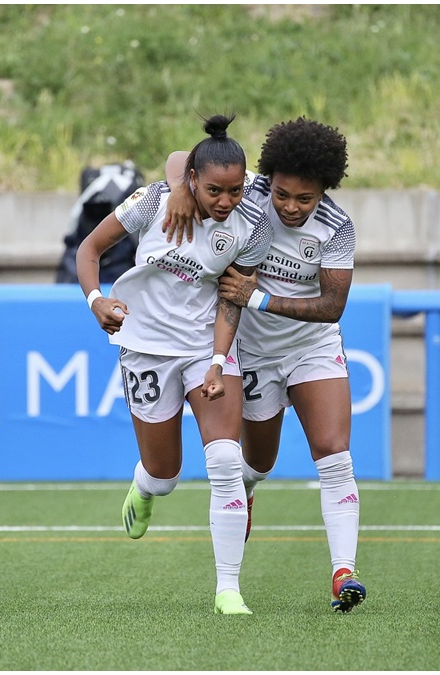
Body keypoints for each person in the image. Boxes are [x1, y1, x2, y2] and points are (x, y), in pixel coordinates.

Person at [161, 117, 365, 613]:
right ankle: (248, 490)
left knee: (334, 455)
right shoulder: (244, 192)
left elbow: (332, 306)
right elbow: (177, 162)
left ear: (324, 191)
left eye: (305, 199)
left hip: (311, 347)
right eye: (282, 195)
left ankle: (344, 574)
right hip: (249, 352)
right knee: (259, 462)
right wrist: (178, 191)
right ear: (268, 180)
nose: (291, 207)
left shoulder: (337, 229)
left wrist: (259, 298)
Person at [76, 114, 271, 615]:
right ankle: (144, 487)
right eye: (213, 191)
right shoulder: (153, 203)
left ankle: (228, 588)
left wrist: (219, 360)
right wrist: (97, 300)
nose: (225, 202)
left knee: (227, 460)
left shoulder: (253, 225)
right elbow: (89, 249)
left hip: (206, 347)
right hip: (144, 347)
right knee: (166, 474)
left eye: (234, 191)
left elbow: (232, 298)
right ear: (192, 183)